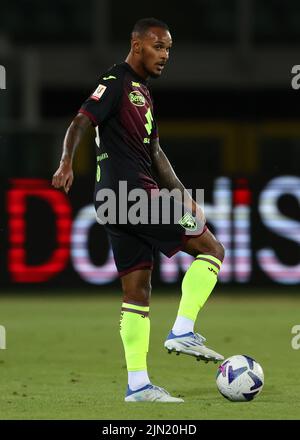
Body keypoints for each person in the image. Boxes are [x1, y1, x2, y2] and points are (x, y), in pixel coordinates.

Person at [52, 17, 225, 403]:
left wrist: (182, 196)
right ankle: (182, 329)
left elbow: (155, 153)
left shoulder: (143, 93)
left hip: (114, 203)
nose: (164, 56)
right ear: (136, 45)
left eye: (168, 49)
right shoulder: (115, 83)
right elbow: (81, 120)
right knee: (213, 250)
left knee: (137, 293)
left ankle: (138, 386)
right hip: (132, 196)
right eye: (158, 47)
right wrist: (66, 162)